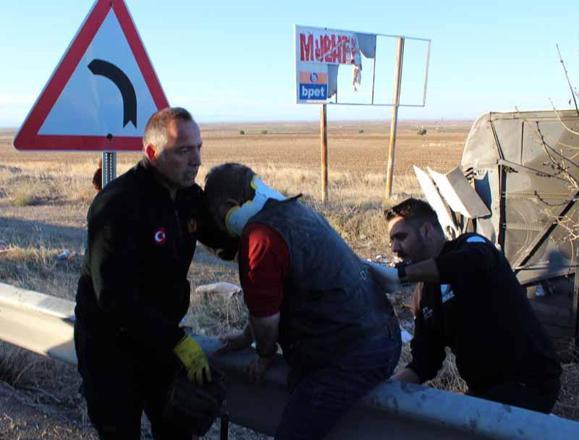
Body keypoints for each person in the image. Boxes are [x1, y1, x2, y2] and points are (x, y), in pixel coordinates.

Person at [204, 163, 401, 440]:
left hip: (349, 356)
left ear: (230, 205)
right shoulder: (295, 211)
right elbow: (274, 300)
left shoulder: (261, 236)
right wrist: (246, 337)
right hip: (380, 338)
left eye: (216, 215)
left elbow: (266, 318)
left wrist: (264, 354)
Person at [74, 107, 234, 439]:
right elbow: (112, 297)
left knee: (176, 431)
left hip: (160, 342)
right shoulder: (117, 204)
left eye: (199, 148)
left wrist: (258, 226)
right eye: (184, 150)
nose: (197, 160)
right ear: (153, 153)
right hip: (110, 347)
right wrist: (178, 342)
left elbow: (223, 244)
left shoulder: (189, 197)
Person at [370, 198, 561, 413]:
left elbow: (475, 260)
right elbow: (424, 363)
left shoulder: (471, 246)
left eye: (401, 237)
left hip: (528, 382)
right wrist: (381, 392)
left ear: (426, 231)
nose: (395, 248)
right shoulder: (423, 296)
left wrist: (400, 276)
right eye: (391, 241)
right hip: (484, 391)